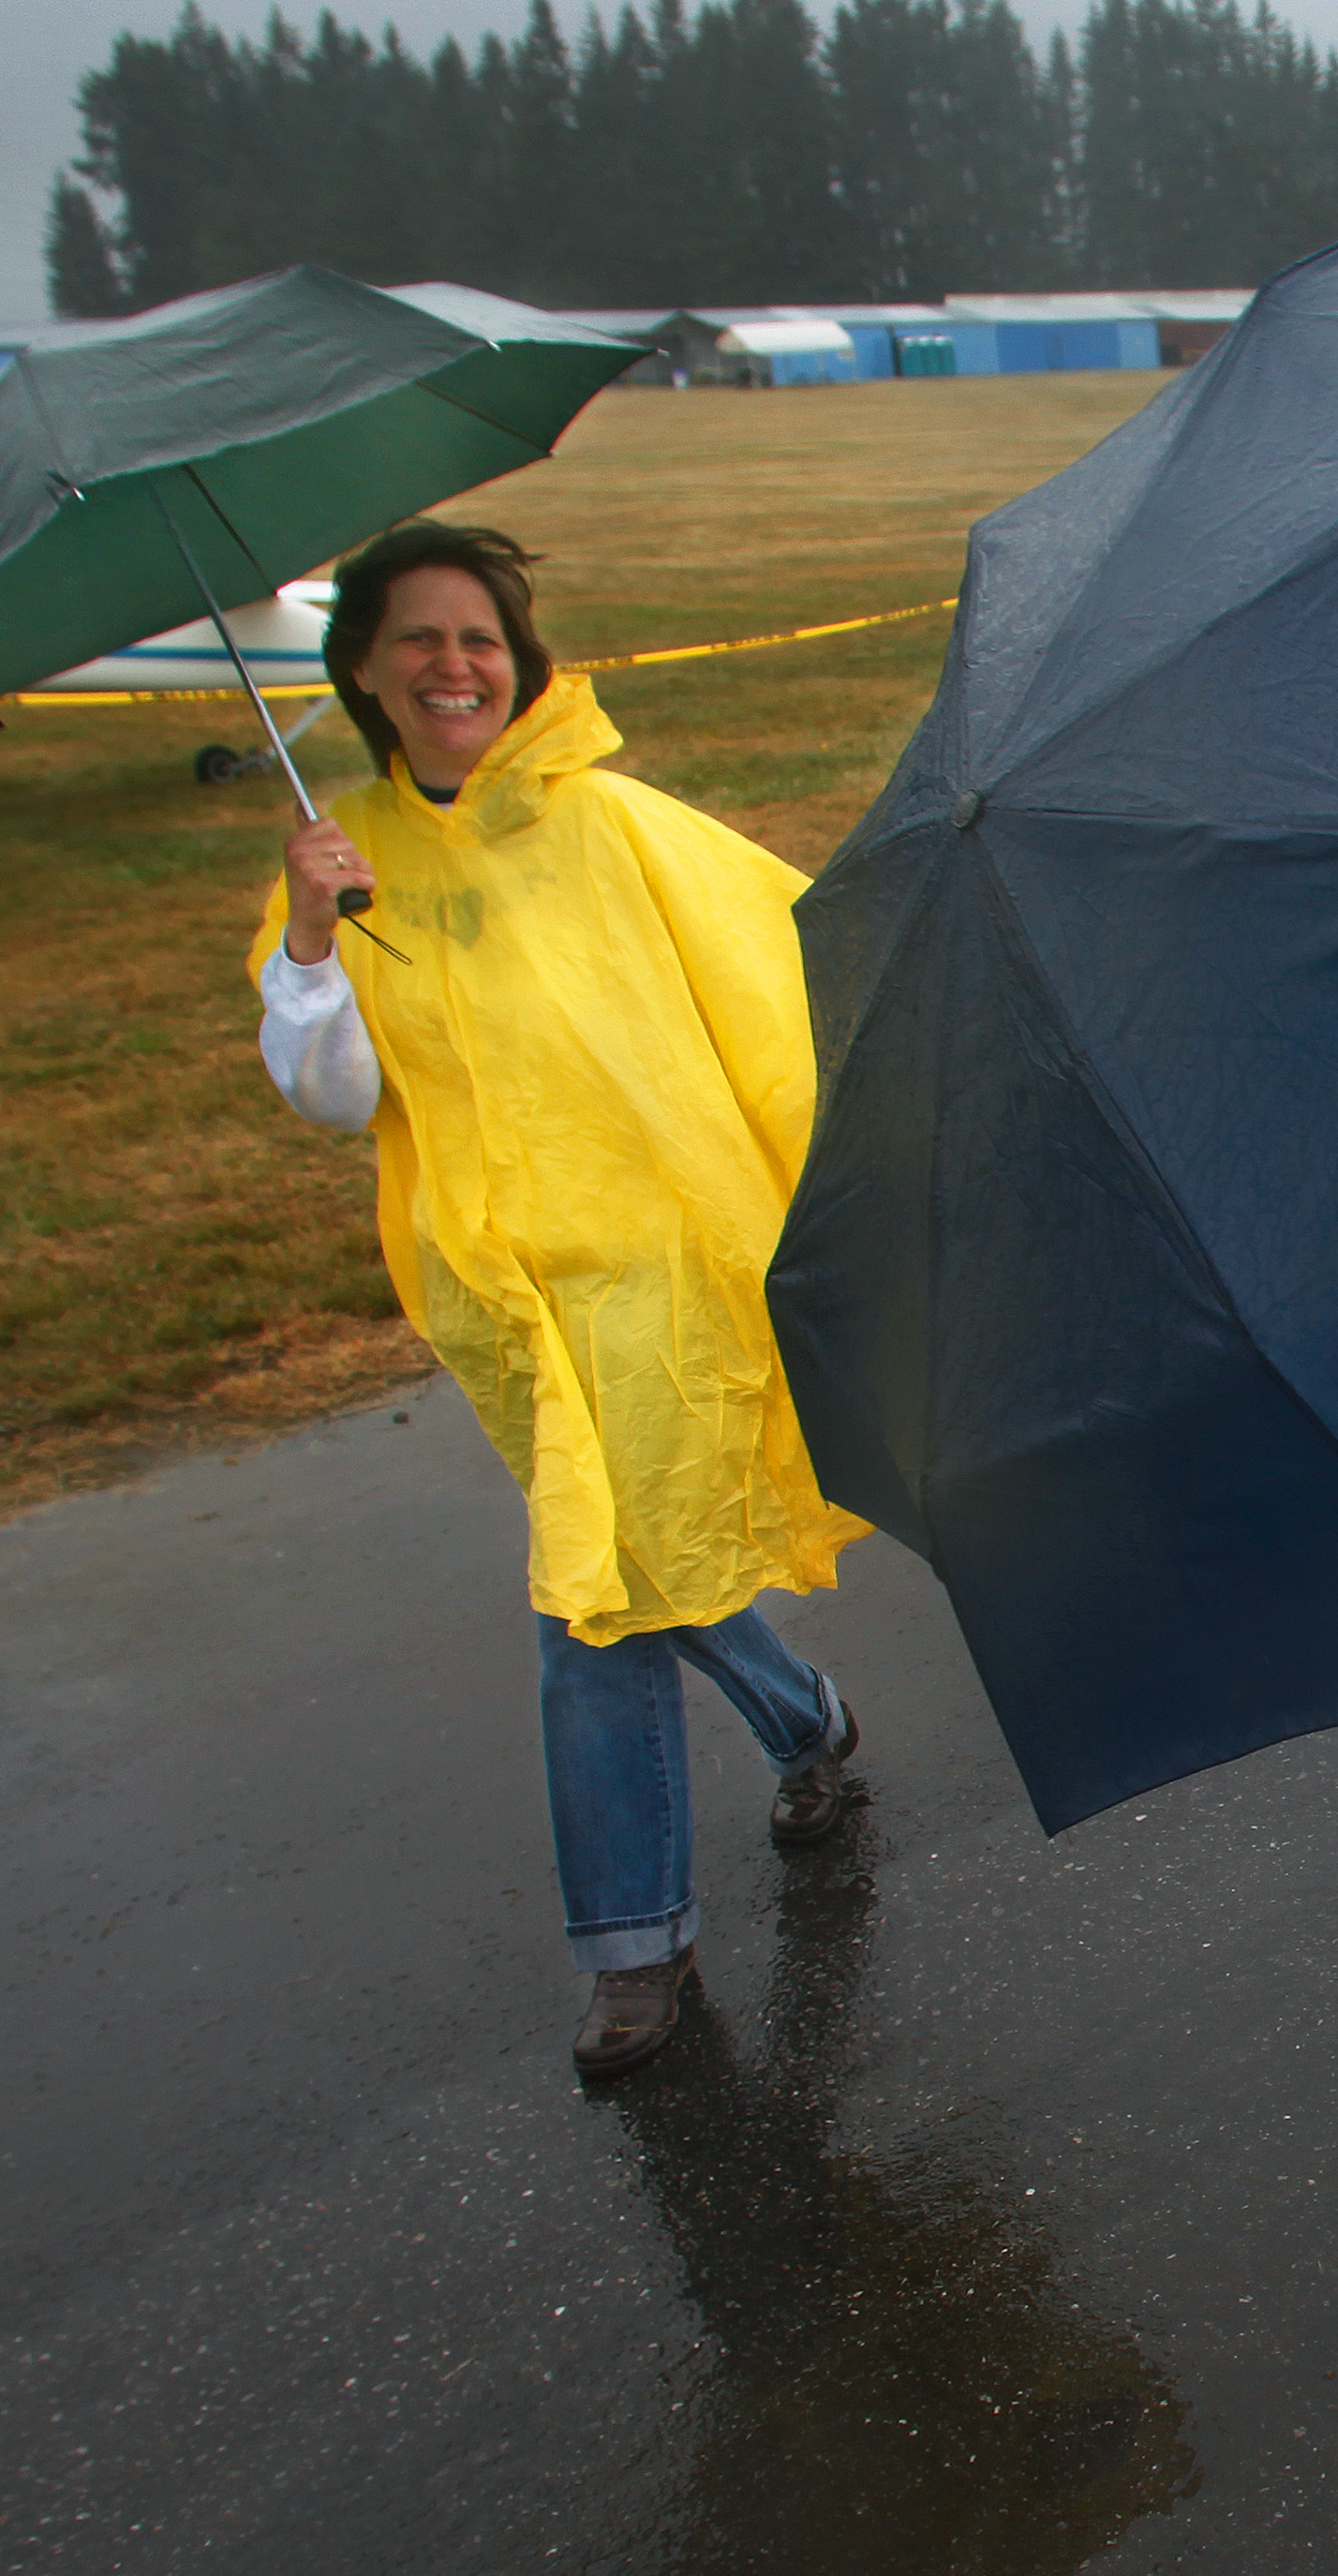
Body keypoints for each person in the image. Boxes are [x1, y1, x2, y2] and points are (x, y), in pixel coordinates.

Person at [249, 521, 875, 2080]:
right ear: (366, 672)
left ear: (518, 661)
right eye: (418, 639)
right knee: (632, 1558)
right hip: (501, 1298)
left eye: (478, 637)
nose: (453, 664)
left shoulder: (611, 826)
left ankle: (631, 1945)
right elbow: (332, 1096)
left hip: (663, 1275)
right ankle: (806, 1724)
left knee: (587, 1604)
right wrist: (314, 936)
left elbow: (795, 959)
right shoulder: (346, 869)